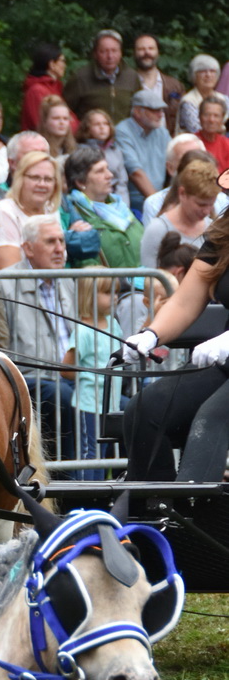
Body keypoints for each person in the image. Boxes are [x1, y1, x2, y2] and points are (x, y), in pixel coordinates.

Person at [120, 198, 229, 483]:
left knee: (212, 418)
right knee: (144, 410)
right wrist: (151, 334)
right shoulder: (225, 233)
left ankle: (200, 519)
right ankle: (156, 515)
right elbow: (184, 300)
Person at [0, 214, 78, 462]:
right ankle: (72, 481)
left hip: (73, 377)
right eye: (51, 242)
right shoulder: (5, 283)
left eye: (62, 242)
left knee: (129, 403)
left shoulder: (71, 281)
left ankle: (122, 485)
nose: (59, 249)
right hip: (30, 378)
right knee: (62, 395)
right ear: (28, 249)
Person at [69, 270, 121, 475]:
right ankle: (83, 497)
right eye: (108, 292)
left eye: (116, 292)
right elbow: (66, 368)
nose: (115, 297)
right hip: (89, 403)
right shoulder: (82, 330)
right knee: (90, 453)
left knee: (103, 452)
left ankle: (98, 496)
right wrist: (89, 374)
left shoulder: (113, 324)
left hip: (110, 402)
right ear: (90, 296)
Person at [62, 144, 142, 269]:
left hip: (145, 285)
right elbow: (87, 268)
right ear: (80, 182)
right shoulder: (73, 214)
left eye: (107, 169)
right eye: (100, 171)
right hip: (109, 287)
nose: (110, 175)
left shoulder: (121, 208)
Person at [0, 149, 61, 270]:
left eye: (48, 179)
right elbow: (12, 273)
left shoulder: (51, 211)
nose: (42, 184)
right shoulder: (3, 211)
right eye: (35, 178)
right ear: (20, 179)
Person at [138, 154, 219, 272]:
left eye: (211, 204)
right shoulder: (158, 229)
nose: (206, 211)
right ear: (182, 193)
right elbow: (148, 282)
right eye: (200, 204)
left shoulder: (212, 229)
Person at [63, 30, 139, 126]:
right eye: (104, 51)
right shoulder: (81, 78)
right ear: (95, 54)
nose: (110, 56)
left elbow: (139, 109)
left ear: (121, 53)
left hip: (124, 137)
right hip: (90, 138)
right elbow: (65, 111)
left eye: (114, 51)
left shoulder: (131, 77)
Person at [115, 88, 169, 212]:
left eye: (161, 110)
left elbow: (176, 161)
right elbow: (135, 173)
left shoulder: (162, 132)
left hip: (158, 198)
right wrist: (159, 208)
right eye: (154, 110)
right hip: (133, 205)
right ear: (138, 112)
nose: (160, 115)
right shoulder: (122, 131)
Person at [78, 106, 131, 206]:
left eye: (105, 124)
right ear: (87, 128)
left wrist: (123, 206)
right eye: (97, 124)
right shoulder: (81, 151)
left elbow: (122, 182)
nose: (102, 127)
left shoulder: (116, 152)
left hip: (116, 200)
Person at [132, 34, 183, 134]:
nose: (146, 52)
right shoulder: (127, 84)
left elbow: (181, 120)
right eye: (141, 49)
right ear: (134, 53)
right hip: (135, 144)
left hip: (167, 144)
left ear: (158, 52)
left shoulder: (175, 86)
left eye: (151, 48)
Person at [20, 43, 75, 133]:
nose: (65, 65)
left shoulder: (55, 88)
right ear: (52, 64)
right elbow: (41, 125)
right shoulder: (37, 91)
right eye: (62, 61)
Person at [178, 55, 228, 135]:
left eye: (212, 71)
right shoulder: (188, 101)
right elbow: (197, 130)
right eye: (202, 71)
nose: (208, 75)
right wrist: (222, 127)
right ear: (194, 76)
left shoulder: (224, 99)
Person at [37, 95, 76, 163]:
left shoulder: (74, 150)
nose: (62, 122)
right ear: (45, 121)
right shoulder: (38, 149)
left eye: (65, 118)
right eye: (56, 118)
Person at [197, 96, 229, 173]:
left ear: (222, 119)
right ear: (199, 117)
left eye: (216, 115)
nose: (211, 120)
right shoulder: (191, 143)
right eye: (207, 115)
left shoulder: (226, 144)